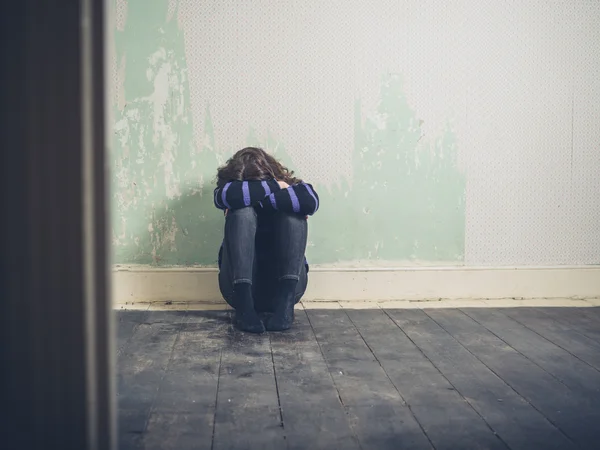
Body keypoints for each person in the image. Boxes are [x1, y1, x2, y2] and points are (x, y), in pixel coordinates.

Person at [213, 147, 319, 333]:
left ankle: (285, 307)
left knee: (293, 215)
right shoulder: (229, 190)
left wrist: (251, 197)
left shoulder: (296, 187)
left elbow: (309, 202)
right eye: (249, 186)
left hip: (288, 289)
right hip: (237, 290)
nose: (255, 190)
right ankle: (245, 309)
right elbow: (228, 195)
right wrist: (276, 187)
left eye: (259, 184)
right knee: (242, 213)